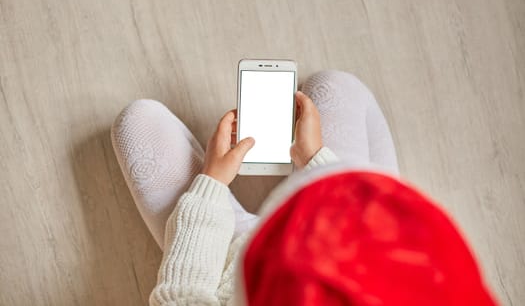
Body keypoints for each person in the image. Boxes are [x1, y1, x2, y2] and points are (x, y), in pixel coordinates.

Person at [111, 71, 497, 305]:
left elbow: (182, 296)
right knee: (333, 86)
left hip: (228, 260)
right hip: (342, 227)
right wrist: (317, 162)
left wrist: (210, 184)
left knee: (138, 122)